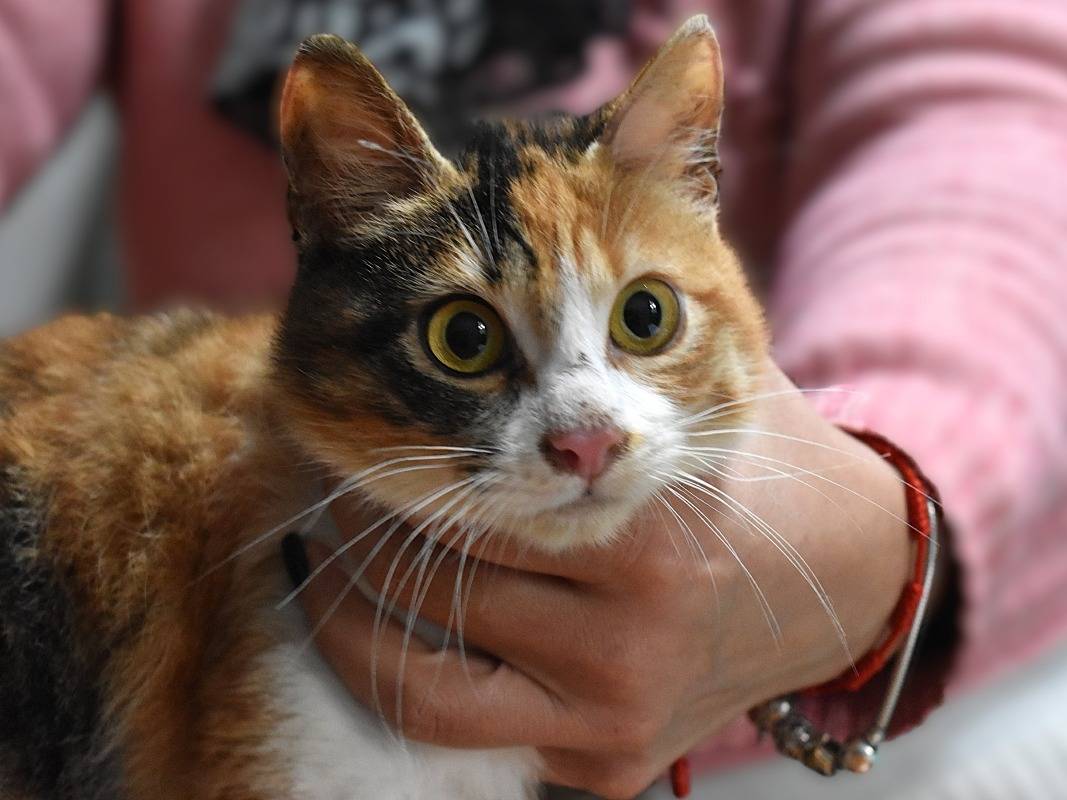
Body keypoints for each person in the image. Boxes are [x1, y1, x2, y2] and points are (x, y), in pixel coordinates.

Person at [4, 1, 1067, 797]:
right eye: (468, 339)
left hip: (846, 678)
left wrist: (885, 518)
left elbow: (990, 119)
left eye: (642, 321)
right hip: (323, 529)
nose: (582, 433)